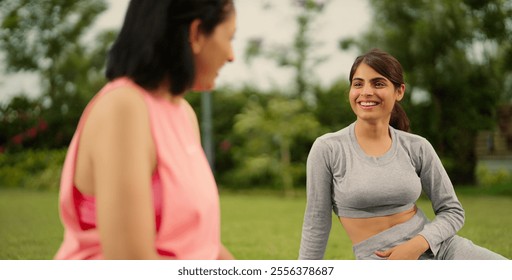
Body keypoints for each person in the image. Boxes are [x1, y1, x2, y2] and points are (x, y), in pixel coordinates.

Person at [54, 0, 237, 260]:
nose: (231, 55)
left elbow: (202, 247)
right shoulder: (124, 109)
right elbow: (132, 262)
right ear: (196, 34)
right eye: (229, 37)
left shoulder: (183, 114)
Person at [299, 48, 507, 260]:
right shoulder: (328, 148)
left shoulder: (417, 146)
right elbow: (316, 222)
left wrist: (417, 244)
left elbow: (452, 211)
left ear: (399, 91)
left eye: (378, 83)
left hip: (442, 249)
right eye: (358, 84)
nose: (366, 92)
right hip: (383, 260)